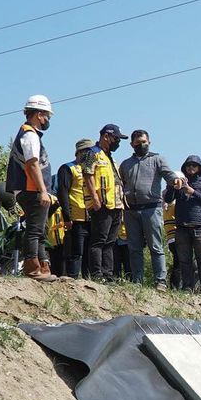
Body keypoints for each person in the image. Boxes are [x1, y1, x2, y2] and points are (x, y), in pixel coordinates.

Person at [5, 95, 56, 282]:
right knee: (35, 230)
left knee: (39, 230)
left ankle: (43, 266)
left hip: (29, 189)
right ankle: (32, 268)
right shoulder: (29, 134)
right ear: (39, 114)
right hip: (31, 189)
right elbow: (32, 164)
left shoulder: (27, 133)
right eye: (47, 116)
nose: (48, 120)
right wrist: (43, 190)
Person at [119, 130, 176, 289]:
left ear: (149, 142)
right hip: (131, 210)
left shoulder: (157, 159)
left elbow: (169, 175)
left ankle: (160, 281)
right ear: (132, 145)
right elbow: (121, 184)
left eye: (144, 142)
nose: (141, 145)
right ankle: (137, 281)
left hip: (152, 208)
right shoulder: (125, 164)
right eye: (138, 143)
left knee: (155, 246)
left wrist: (176, 180)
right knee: (134, 248)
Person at [172, 155, 201, 294]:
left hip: (200, 226)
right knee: (184, 260)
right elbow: (167, 198)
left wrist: (193, 192)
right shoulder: (180, 183)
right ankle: (187, 287)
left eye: (194, 165)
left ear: (199, 168)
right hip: (182, 226)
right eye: (188, 165)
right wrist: (172, 186)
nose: (191, 168)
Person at [86, 124, 124, 281]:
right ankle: (96, 274)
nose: (118, 142)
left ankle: (108, 274)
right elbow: (88, 175)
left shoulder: (110, 158)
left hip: (116, 205)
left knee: (110, 242)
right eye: (116, 138)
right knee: (98, 241)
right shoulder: (91, 153)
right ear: (106, 136)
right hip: (101, 205)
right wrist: (95, 198)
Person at [57, 139, 95, 279]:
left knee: (90, 252)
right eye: (88, 151)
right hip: (76, 218)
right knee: (75, 251)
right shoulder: (68, 168)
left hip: (93, 218)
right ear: (80, 152)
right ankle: (73, 279)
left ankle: (89, 280)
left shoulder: (93, 169)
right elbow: (63, 194)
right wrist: (67, 217)